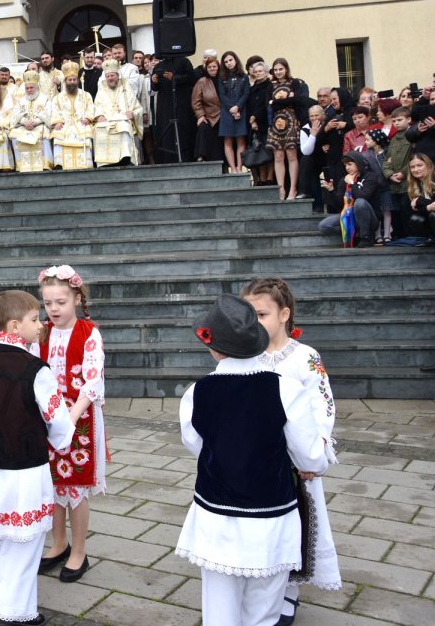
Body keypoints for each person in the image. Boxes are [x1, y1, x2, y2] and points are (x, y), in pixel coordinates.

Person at [175, 294, 328, 626]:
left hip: (215, 512)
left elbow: (197, 444)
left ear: (213, 347)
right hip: (270, 514)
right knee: (265, 608)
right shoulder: (286, 390)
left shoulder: (196, 392)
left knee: (219, 606)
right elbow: (311, 457)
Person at [0, 290, 83, 625]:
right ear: (15, 325)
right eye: (34, 319)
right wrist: (62, 438)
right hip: (23, 466)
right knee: (22, 541)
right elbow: (57, 421)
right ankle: (16, 609)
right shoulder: (35, 369)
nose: (41, 324)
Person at [242, 278, 342, 625]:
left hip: (295, 465)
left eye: (261, 314)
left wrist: (315, 452)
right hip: (253, 463)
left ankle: (288, 594)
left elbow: (323, 408)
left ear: (284, 314)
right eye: (248, 314)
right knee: (259, 532)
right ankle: (256, 589)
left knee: (295, 529)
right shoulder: (243, 355)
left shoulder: (305, 357)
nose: (253, 322)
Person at [36, 264, 106, 583]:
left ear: (76, 298)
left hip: (80, 418)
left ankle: (79, 550)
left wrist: (71, 417)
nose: (53, 309)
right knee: (51, 483)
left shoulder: (88, 333)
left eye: (61, 302)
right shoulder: (42, 333)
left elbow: (92, 382)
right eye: (48, 303)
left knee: (76, 485)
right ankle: (58, 543)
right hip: (47, 418)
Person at [319, 153, 383, 247]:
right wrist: (331, 190)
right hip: (349, 216)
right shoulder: (344, 180)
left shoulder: (370, 177)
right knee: (324, 226)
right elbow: (339, 204)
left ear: (358, 163)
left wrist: (352, 184)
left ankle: (365, 237)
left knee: (360, 202)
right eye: (345, 165)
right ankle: (352, 233)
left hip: (369, 219)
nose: (347, 168)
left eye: (350, 164)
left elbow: (363, 196)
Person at [94, 60, 143, 166]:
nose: (110, 78)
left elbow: (138, 108)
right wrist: (99, 116)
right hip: (107, 121)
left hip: (122, 120)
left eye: (112, 75)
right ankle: (105, 163)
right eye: (108, 76)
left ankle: (126, 159)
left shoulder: (126, 89)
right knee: (99, 128)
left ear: (117, 75)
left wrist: (133, 114)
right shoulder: (101, 90)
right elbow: (97, 107)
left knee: (124, 126)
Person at [48, 62, 96, 170]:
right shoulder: (58, 97)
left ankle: (85, 165)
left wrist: (88, 118)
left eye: (74, 80)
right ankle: (60, 164)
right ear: (65, 81)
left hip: (81, 123)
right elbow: (54, 110)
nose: (72, 82)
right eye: (70, 80)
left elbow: (91, 108)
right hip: (65, 125)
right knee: (57, 133)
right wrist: (58, 121)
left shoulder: (86, 95)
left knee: (86, 133)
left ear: (78, 81)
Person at [10, 70, 53, 173]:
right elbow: (14, 115)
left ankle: (45, 165)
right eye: (27, 88)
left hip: (39, 125)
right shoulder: (21, 100)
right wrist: (24, 121)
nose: (29, 90)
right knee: (14, 136)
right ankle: (21, 166)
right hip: (23, 126)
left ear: (37, 87)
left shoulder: (45, 99)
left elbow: (49, 114)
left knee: (45, 136)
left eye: (31, 87)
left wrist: (36, 122)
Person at [219, 52, 251, 173]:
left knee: (241, 140)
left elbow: (246, 93)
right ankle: (232, 167)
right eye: (226, 62)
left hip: (241, 111)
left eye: (230, 60)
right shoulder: (222, 77)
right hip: (227, 112)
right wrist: (232, 109)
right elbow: (222, 95)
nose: (228, 63)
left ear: (236, 60)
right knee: (228, 140)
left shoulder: (244, 76)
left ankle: (239, 167)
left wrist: (238, 107)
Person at [191, 56, 225, 164]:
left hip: (223, 114)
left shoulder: (224, 80)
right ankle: (201, 156)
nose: (212, 69)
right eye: (209, 67)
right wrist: (200, 115)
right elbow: (196, 101)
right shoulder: (201, 82)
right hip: (208, 115)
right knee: (203, 128)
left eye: (214, 66)